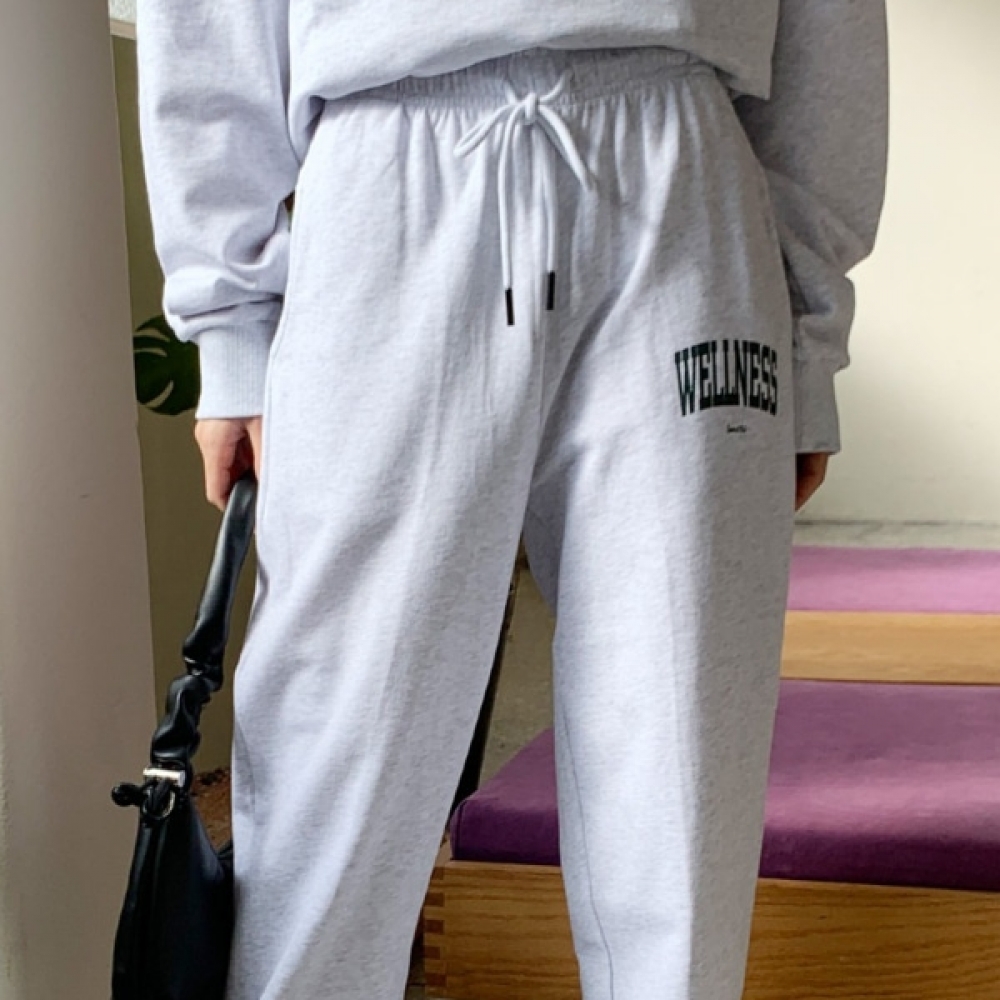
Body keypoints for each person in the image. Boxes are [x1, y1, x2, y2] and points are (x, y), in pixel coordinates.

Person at [135, 2, 888, 997]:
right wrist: (230, 324)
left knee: (682, 751)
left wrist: (805, 337)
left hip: (684, 163)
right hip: (388, 155)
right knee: (333, 751)